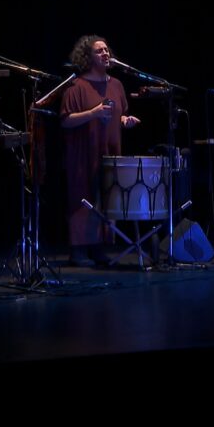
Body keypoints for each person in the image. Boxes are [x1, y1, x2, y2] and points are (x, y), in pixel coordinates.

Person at [60, 35, 140, 266]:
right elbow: (65, 120)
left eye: (107, 50)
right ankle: (78, 250)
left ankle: (98, 247)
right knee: (82, 198)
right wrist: (93, 113)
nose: (105, 54)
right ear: (87, 57)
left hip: (110, 151)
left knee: (105, 198)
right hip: (83, 154)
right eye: (99, 51)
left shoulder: (116, 85)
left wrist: (125, 120)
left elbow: (120, 113)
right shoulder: (76, 87)